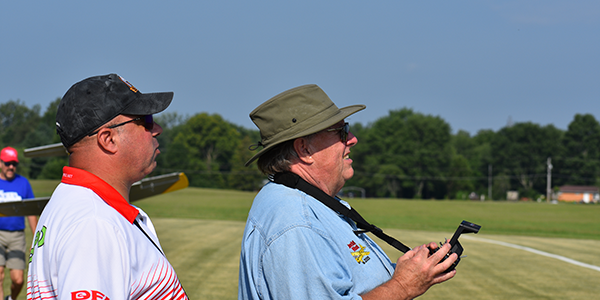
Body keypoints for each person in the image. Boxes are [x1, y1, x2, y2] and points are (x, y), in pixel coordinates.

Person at [239, 84, 458, 300]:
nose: (352, 138)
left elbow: (350, 281)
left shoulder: (310, 204)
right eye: (341, 131)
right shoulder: (296, 221)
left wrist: (409, 270)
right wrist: (402, 286)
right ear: (304, 149)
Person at [26, 74, 188, 299]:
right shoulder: (93, 223)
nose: (157, 128)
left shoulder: (79, 206)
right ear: (108, 139)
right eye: (146, 120)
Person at [0, 147, 38, 300]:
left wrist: (36, 239)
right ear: (1, 163)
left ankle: (12, 298)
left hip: (17, 236)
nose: (11, 167)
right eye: (8, 163)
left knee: (18, 279)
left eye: (14, 164)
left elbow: (30, 211)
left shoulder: (23, 183)